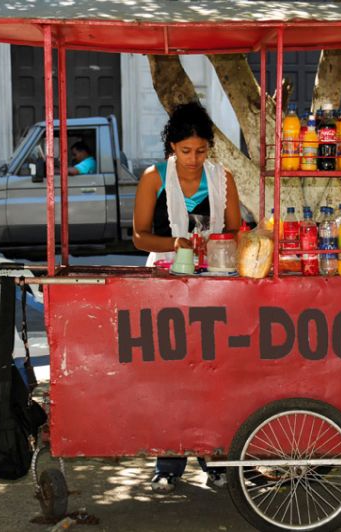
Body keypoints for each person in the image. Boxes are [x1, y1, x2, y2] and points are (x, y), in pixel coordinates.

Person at [132, 101, 241, 491]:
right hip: (164, 283)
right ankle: (168, 461)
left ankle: (214, 457)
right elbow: (139, 235)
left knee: (212, 371)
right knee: (170, 372)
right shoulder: (153, 178)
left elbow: (235, 230)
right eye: (185, 151)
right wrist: (176, 242)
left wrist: (217, 244)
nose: (194, 160)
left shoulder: (222, 177)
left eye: (201, 151)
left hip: (212, 284)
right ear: (172, 148)